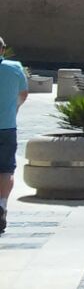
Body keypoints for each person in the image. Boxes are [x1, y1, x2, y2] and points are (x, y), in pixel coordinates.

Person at [0, 35, 27, 236]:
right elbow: (23, 94)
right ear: (2, 50)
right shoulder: (15, 68)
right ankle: (2, 205)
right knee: (6, 169)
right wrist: (13, 108)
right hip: (7, 127)